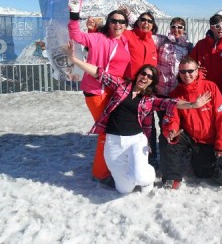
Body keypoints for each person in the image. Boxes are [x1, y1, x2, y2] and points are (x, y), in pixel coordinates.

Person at [66, 41, 210, 194]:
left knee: (141, 176)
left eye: (149, 77)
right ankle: (132, 174)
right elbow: (99, 73)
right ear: (138, 75)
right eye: (143, 74)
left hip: (136, 140)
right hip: (113, 141)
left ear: (151, 82)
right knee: (124, 189)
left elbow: (171, 102)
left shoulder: (149, 100)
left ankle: (148, 179)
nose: (145, 78)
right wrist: (74, 60)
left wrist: (193, 104)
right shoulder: (121, 86)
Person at [68, 0, 130, 186]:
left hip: (114, 91)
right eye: (114, 21)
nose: (117, 24)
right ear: (108, 23)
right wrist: (74, 13)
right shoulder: (98, 38)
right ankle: (100, 173)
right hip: (96, 91)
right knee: (107, 133)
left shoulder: (124, 41)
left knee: (113, 132)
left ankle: (108, 168)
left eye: (121, 22)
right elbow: (76, 35)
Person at [159, 57, 222, 188]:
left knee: (203, 172)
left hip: (207, 140)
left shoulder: (210, 87)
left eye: (190, 71)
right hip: (189, 136)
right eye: (182, 72)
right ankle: (171, 178)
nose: (186, 75)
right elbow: (172, 117)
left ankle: (211, 160)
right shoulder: (176, 94)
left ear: (197, 71)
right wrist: (171, 130)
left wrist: (220, 146)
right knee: (166, 138)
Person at [151, 17, 193, 166]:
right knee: (164, 124)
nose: (177, 30)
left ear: (184, 29)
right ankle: (161, 157)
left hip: (178, 94)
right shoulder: (162, 41)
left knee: (181, 124)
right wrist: (129, 18)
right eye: (174, 27)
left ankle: (180, 151)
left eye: (180, 27)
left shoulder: (188, 46)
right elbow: (144, 33)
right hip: (161, 92)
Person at [190, 14, 222, 99]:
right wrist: (197, 71)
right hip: (204, 90)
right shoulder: (201, 45)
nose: (221, 28)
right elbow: (191, 63)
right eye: (217, 26)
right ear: (211, 28)